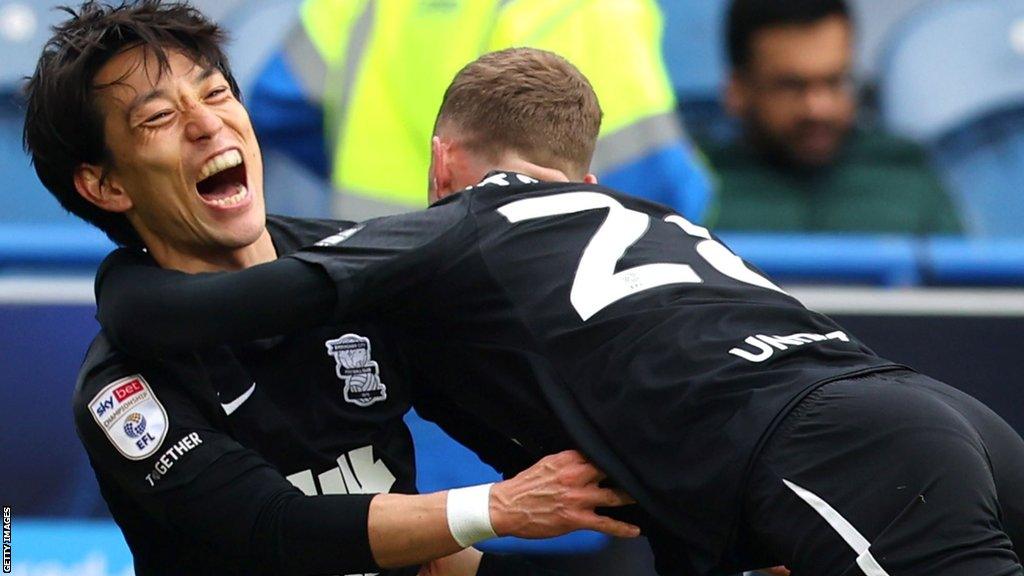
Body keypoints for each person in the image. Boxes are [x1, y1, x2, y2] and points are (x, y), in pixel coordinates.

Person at [93, 46, 1024, 576]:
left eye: (218, 95)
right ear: (586, 168)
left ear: (444, 165)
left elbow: (222, 303)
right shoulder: (651, 219)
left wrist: (115, 284)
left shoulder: (461, 225)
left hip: (830, 455)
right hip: (931, 412)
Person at [21, 3, 639, 575]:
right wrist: (496, 507)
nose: (207, 124)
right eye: (159, 117)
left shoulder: (362, 267)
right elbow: (275, 527)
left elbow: (466, 476)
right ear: (105, 186)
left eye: (215, 93)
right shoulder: (123, 391)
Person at [246, 0, 712, 223]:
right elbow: (654, 189)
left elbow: (278, 105)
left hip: (380, 288)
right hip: (525, 316)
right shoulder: (587, 10)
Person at [704, 0, 963, 235]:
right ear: (737, 90)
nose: (819, 109)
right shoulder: (698, 188)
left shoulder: (905, 175)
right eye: (791, 86)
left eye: (835, 82)